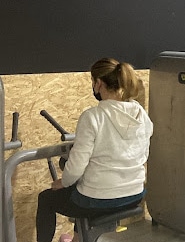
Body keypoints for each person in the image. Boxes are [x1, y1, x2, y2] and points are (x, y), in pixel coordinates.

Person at [36, 58, 154, 242]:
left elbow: (76, 167)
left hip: (98, 199)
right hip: (135, 194)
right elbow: (143, 155)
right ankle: (77, 238)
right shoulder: (141, 114)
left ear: (98, 83)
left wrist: (63, 182)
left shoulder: (92, 117)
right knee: (84, 187)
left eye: (93, 82)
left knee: (47, 198)